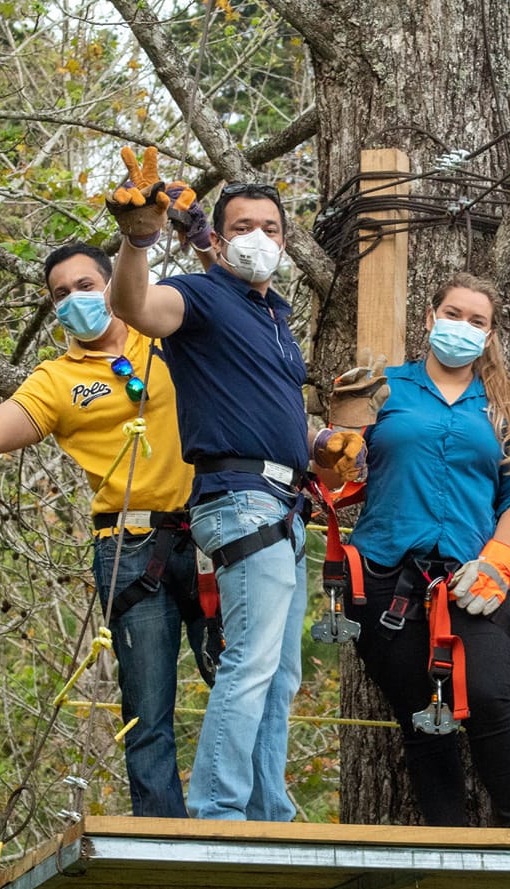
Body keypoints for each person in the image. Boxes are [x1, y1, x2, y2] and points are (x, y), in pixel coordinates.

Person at [0, 242, 205, 818]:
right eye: (61, 294)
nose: (74, 300)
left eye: (86, 286)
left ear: (115, 286)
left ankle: (238, 820)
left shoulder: (167, 335)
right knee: (147, 710)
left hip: (214, 533)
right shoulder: (58, 380)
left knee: (243, 683)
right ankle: (168, 838)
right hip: (132, 550)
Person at [103, 147, 363, 821]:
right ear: (216, 240)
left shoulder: (274, 316)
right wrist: (139, 242)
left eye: (271, 229)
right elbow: (134, 307)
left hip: (286, 502)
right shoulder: (200, 298)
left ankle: (267, 808)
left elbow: (265, 405)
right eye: (242, 226)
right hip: (240, 499)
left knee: (280, 673)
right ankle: (219, 810)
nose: (259, 239)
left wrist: (317, 445)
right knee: (250, 663)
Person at [344, 273, 510, 828]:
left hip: (475, 575)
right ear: (430, 319)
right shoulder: (385, 388)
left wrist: (498, 560)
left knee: (487, 697)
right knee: (421, 718)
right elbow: (339, 469)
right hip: (386, 577)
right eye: (453, 315)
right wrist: (334, 434)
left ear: (490, 334)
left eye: (476, 321)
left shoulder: (508, 405)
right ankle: (446, 842)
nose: (463, 328)